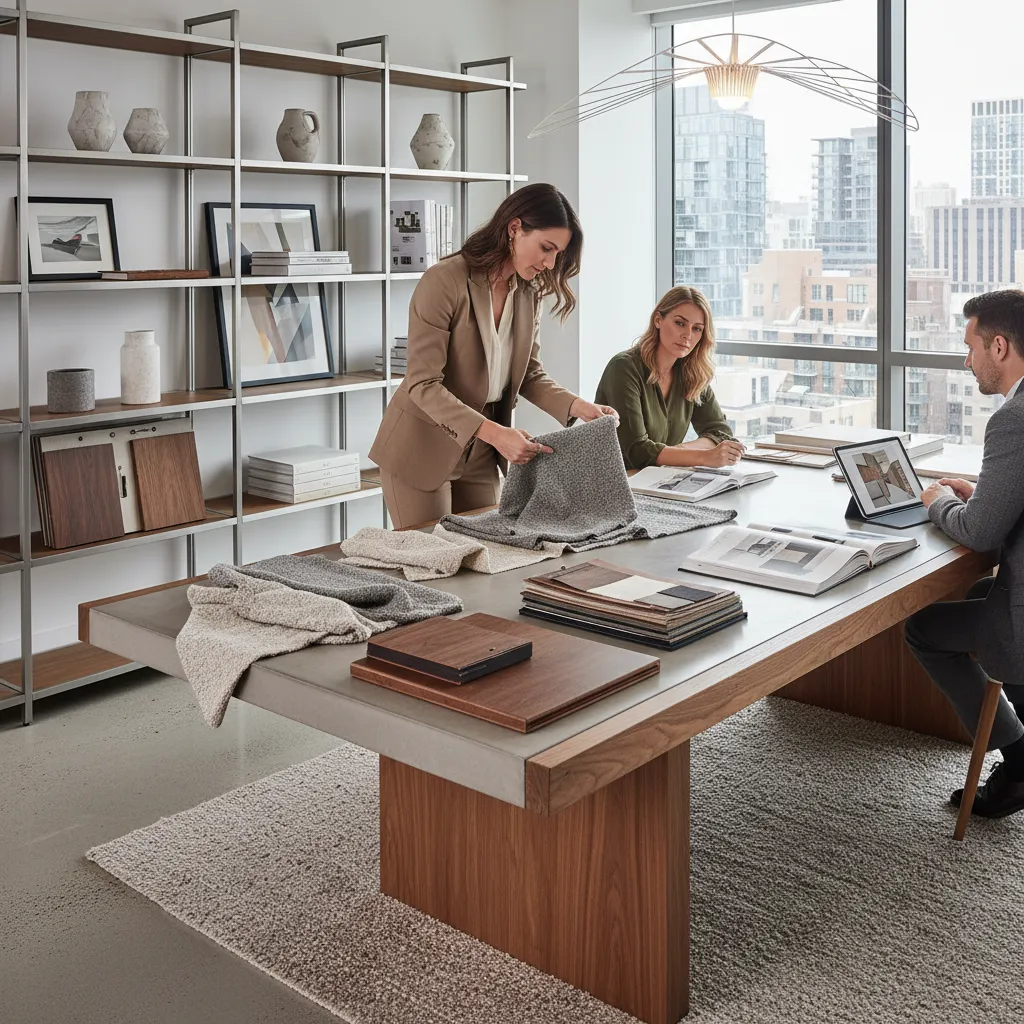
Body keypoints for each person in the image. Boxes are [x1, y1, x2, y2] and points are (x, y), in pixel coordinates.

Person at [369, 183, 616, 529]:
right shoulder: (445, 281)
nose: (549, 263)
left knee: (486, 556)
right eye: (546, 248)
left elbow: (530, 374)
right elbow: (422, 384)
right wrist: (496, 434)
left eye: (557, 254)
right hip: (422, 447)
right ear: (515, 229)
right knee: (435, 560)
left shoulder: (529, 293)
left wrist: (579, 408)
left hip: (481, 451)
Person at [907, 288, 1024, 819]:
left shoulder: (1013, 419)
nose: (966, 359)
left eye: (970, 346)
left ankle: (1019, 760)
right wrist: (981, 492)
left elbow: (978, 534)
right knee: (980, 590)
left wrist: (937, 503)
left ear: (999, 346)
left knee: (922, 629)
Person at [593, 285, 744, 470]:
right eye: (680, 323)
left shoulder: (691, 373)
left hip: (659, 481)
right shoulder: (624, 367)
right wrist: (703, 457)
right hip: (615, 484)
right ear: (658, 319)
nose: (687, 335)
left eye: (697, 329)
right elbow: (637, 451)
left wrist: (681, 450)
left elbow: (721, 433)